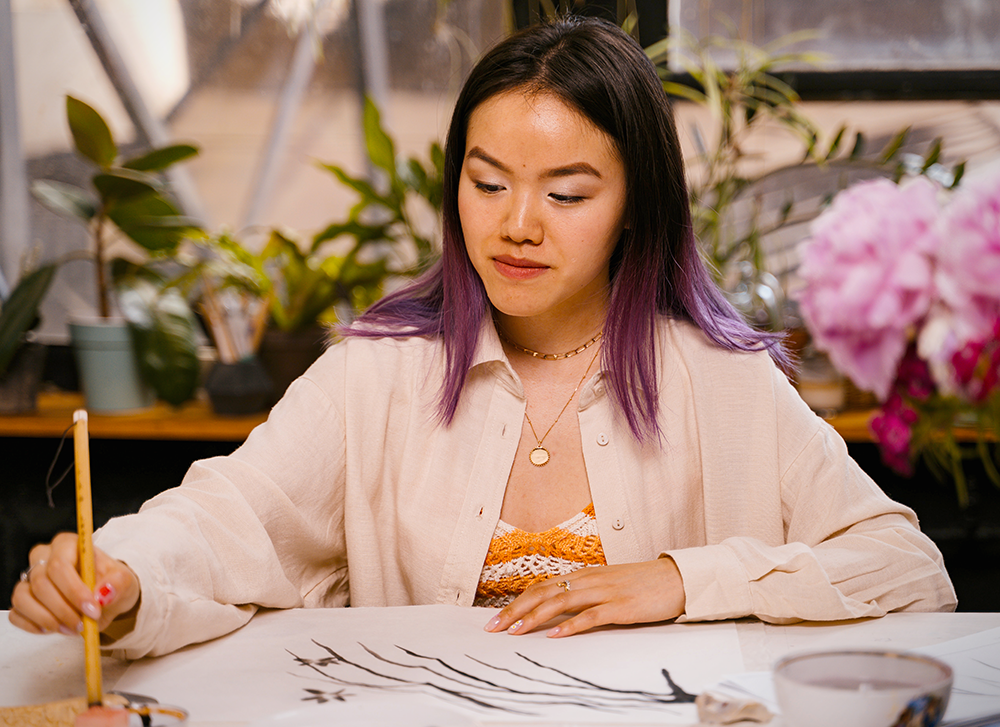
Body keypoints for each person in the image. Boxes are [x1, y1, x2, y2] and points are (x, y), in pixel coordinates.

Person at [10, 16, 956, 659]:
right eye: (487, 181)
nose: (517, 225)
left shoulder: (722, 380)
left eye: (567, 194)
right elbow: (227, 519)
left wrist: (679, 580)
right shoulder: (377, 373)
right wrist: (121, 573)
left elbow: (906, 568)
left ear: (636, 205)